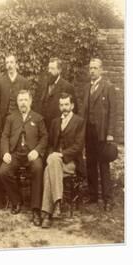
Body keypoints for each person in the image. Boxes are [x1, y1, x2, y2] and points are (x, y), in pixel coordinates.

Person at [0, 90, 48, 226]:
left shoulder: (38, 118)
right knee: (3, 171)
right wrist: (6, 152)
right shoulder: (11, 118)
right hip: (15, 154)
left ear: (30, 101)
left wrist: (37, 151)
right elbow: (4, 136)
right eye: (20, 100)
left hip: (31, 154)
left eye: (25, 100)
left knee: (38, 168)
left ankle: (36, 208)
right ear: (17, 102)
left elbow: (44, 137)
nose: (23, 103)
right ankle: (17, 201)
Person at [40, 93, 85, 228]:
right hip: (56, 163)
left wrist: (61, 155)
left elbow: (78, 146)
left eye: (66, 104)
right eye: (61, 105)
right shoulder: (55, 122)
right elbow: (50, 145)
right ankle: (55, 206)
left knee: (51, 164)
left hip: (70, 163)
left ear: (72, 105)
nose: (64, 107)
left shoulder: (79, 122)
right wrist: (50, 155)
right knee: (51, 165)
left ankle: (48, 211)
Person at [82, 58, 117, 211]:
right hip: (88, 131)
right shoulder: (87, 88)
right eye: (91, 68)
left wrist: (110, 133)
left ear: (101, 70)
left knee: (103, 165)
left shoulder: (107, 87)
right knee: (90, 163)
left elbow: (113, 112)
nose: (92, 71)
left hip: (102, 132)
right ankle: (93, 195)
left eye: (95, 68)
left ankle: (107, 198)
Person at [36, 57, 78, 130]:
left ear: (59, 70)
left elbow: (74, 110)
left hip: (58, 128)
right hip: (44, 127)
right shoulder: (43, 85)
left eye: (52, 68)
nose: (49, 71)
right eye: (49, 68)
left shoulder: (67, 87)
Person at [0, 54, 31, 124]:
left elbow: (29, 102)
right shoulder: (0, 82)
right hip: (4, 119)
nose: (9, 65)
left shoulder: (24, 82)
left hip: (20, 119)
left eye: (11, 62)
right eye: (7, 63)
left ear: (16, 64)